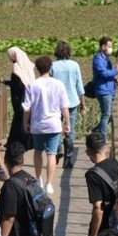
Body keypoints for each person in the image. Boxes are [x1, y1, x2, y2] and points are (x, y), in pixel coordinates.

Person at [23, 55, 71, 195]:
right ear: (50, 68)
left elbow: (27, 108)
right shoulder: (58, 84)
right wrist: (67, 123)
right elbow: (64, 107)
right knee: (52, 154)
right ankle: (49, 183)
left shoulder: (32, 85)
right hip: (54, 124)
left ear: (37, 69)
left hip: (37, 124)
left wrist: (25, 122)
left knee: (38, 152)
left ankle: (38, 179)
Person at [51, 40, 85, 168]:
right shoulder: (74, 65)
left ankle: (58, 148)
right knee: (70, 129)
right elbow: (79, 85)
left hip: (56, 102)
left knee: (56, 127)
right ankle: (68, 158)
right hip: (72, 101)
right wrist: (83, 102)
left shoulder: (52, 66)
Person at [84, 132, 118, 236]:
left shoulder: (92, 174)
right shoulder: (117, 164)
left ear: (87, 152)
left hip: (105, 227)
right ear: (106, 148)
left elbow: (98, 208)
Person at [89, 37, 118, 138]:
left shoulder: (106, 58)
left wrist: (115, 79)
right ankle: (103, 138)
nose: (110, 49)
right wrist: (117, 70)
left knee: (111, 115)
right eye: (109, 46)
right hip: (103, 90)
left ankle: (96, 130)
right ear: (103, 46)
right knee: (106, 114)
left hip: (110, 89)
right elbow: (103, 73)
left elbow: (108, 73)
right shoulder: (98, 59)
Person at [6, 46, 37, 150]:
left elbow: (17, 83)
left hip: (19, 97)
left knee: (19, 119)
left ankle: (17, 142)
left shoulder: (16, 66)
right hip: (29, 94)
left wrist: (8, 83)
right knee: (26, 119)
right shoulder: (27, 65)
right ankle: (28, 141)